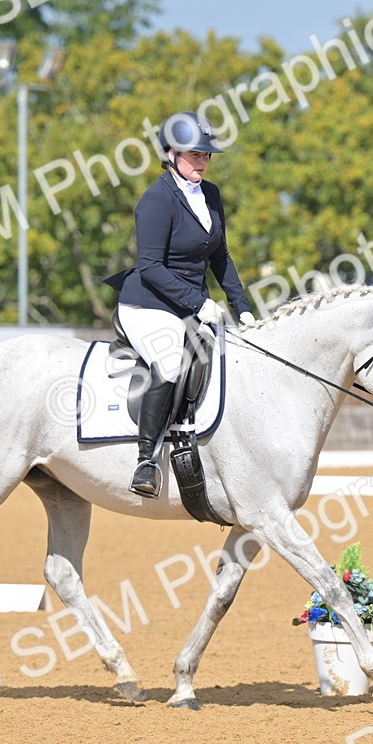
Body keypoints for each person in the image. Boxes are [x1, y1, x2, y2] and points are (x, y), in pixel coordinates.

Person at [112, 111, 255, 498]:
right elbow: (151, 267)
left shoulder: (210, 195)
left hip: (190, 305)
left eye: (207, 156)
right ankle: (146, 459)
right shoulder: (156, 201)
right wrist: (199, 302)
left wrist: (242, 307)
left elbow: (220, 257)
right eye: (195, 155)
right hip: (148, 304)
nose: (202, 162)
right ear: (172, 154)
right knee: (172, 358)